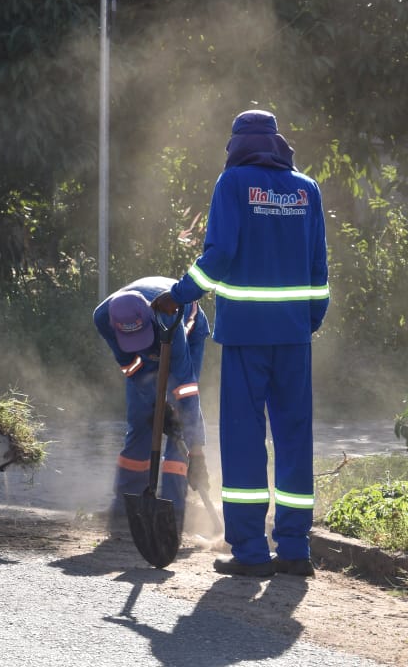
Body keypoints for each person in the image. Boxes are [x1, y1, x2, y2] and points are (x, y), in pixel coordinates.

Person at [153, 109, 329, 578]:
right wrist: (306, 322)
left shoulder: (232, 185)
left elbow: (221, 255)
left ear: (238, 145)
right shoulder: (306, 189)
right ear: (277, 143)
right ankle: (295, 549)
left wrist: (180, 293)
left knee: (245, 440)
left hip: (247, 337)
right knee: (294, 439)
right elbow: (318, 272)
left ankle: (251, 552)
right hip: (293, 338)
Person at [93, 278, 211, 536]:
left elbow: (186, 389)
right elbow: (130, 365)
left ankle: (173, 509)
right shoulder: (103, 317)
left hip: (187, 335)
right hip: (146, 352)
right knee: (140, 420)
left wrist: (197, 451)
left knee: (179, 422)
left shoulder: (168, 316)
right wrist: (154, 400)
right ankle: (126, 507)